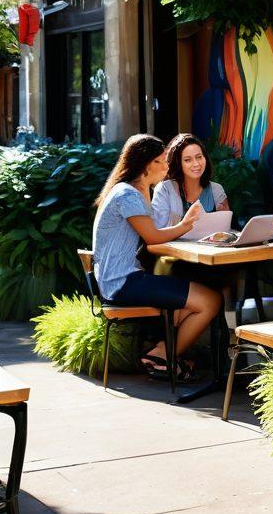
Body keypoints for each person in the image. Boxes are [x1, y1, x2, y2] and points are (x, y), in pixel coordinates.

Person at [92, 135, 223, 380]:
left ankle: (160, 352)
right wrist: (186, 224)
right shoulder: (127, 195)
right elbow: (152, 237)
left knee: (194, 303)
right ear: (145, 165)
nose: (166, 167)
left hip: (121, 280)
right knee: (210, 301)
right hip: (123, 282)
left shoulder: (133, 191)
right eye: (161, 162)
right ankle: (165, 357)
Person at [150, 134, 229, 229]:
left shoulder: (216, 189)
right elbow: (159, 229)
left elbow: (223, 230)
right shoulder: (164, 189)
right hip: (172, 244)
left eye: (199, 157)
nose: (196, 164)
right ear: (178, 163)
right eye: (188, 160)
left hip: (208, 244)